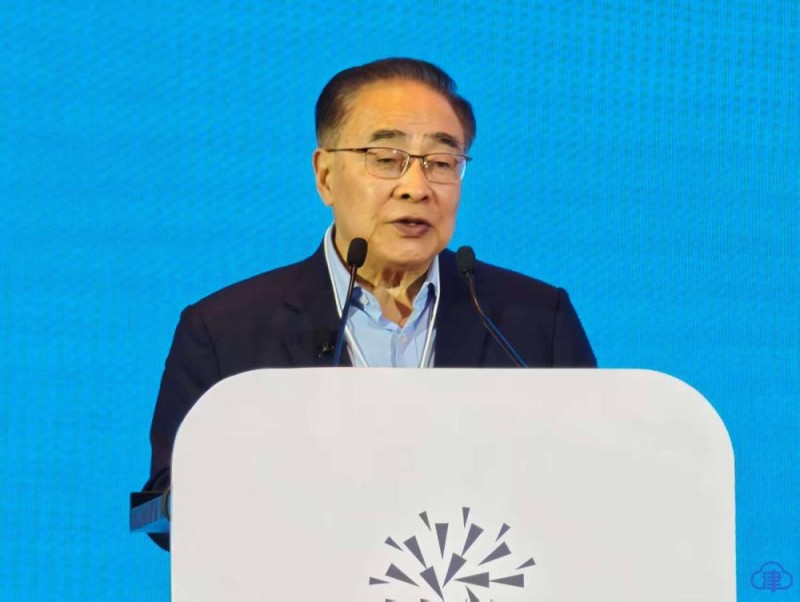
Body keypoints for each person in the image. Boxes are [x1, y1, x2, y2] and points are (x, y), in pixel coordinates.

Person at [143, 57, 596, 550]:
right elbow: (152, 513)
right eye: (385, 158)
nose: (416, 188)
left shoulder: (533, 319)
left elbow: (598, 482)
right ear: (325, 176)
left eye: (441, 163)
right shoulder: (224, 329)